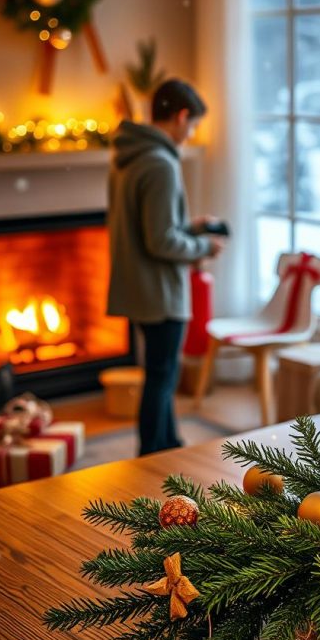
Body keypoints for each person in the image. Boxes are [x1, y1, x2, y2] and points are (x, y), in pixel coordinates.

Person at [107, 79, 225, 456]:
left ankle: (169, 444)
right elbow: (160, 241)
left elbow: (147, 230)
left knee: (161, 372)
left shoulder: (128, 157)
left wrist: (191, 227)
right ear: (181, 116)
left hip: (138, 286)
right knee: (161, 377)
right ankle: (152, 453)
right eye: (192, 126)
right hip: (160, 289)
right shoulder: (161, 164)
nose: (190, 135)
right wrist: (203, 245)